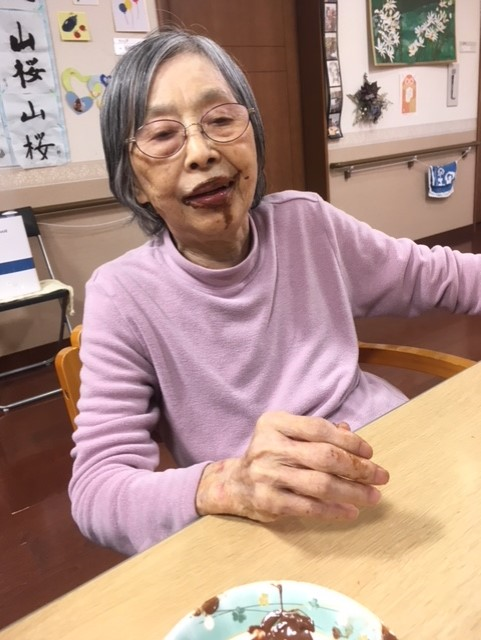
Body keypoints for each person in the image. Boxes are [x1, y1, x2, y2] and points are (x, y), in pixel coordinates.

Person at [70, 26, 481, 557]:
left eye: (221, 119)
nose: (201, 152)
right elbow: (97, 490)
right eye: (162, 134)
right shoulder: (122, 296)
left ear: (254, 137)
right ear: (133, 182)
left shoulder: (308, 223)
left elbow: (444, 276)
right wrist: (226, 483)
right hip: (273, 531)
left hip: (396, 463)